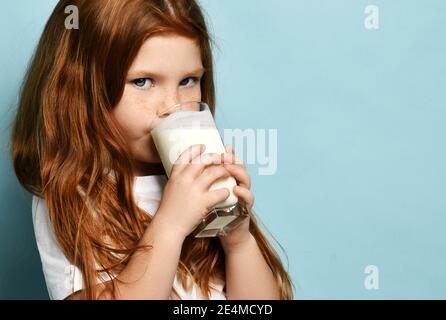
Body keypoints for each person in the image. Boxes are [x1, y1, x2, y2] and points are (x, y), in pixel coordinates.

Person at [11, 0, 294, 300]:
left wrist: (238, 241)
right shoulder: (74, 195)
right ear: (84, 90)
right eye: (143, 82)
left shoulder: (199, 181)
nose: (172, 107)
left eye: (188, 81)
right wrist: (171, 225)